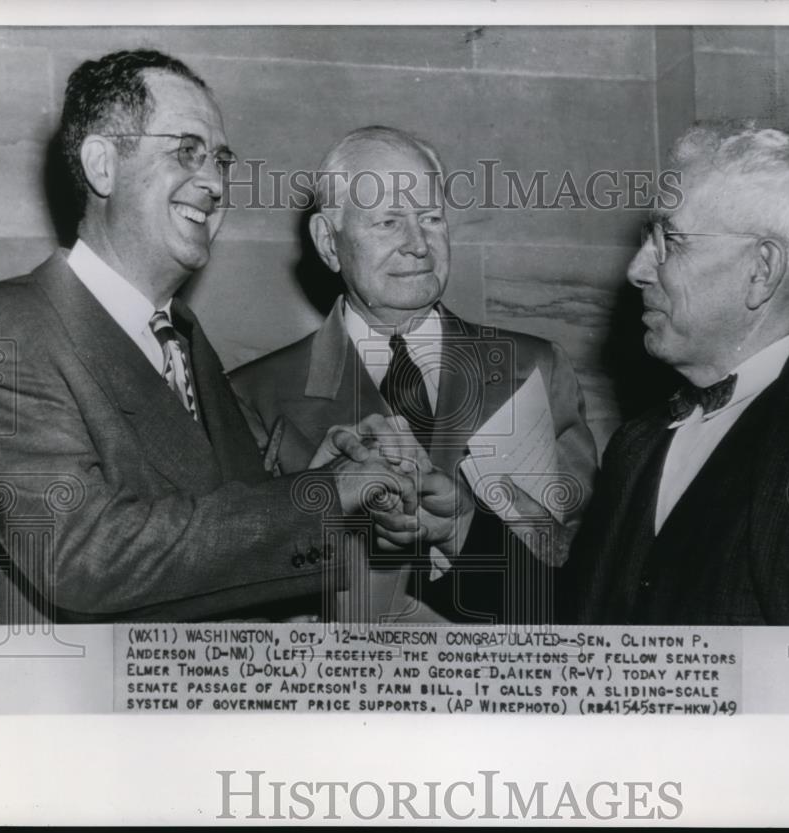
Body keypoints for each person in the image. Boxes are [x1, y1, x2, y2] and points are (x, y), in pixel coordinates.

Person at [0, 51, 425, 624]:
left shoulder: (181, 334)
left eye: (221, 160)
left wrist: (318, 480)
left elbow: (216, 529)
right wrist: (326, 494)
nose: (213, 182)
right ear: (102, 165)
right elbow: (83, 556)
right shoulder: (2, 326)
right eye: (186, 151)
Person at [231, 126, 597, 624]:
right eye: (387, 222)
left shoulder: (533, 366)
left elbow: (591, 565)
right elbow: (238, 582)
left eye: (431, 218)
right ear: (328, 243)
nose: (418, 244)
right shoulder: (254, 394)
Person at [563, 124, 789, 626]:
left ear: (761, 269)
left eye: (670, 241)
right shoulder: (638, 444)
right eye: (645, 240)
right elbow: (572, 631)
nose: (636, 270)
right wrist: (461, 525)